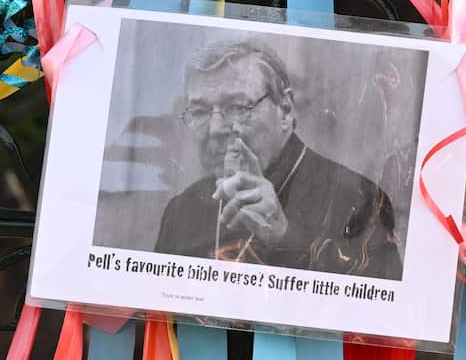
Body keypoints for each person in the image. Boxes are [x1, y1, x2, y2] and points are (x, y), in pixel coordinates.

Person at [153, 39, 403, 280]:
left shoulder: (360, 199)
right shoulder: (182, 211)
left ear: (285, 109)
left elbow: (378, 310)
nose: (216, 128)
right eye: (200, 111)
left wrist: (284, 238)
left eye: (239, 108)